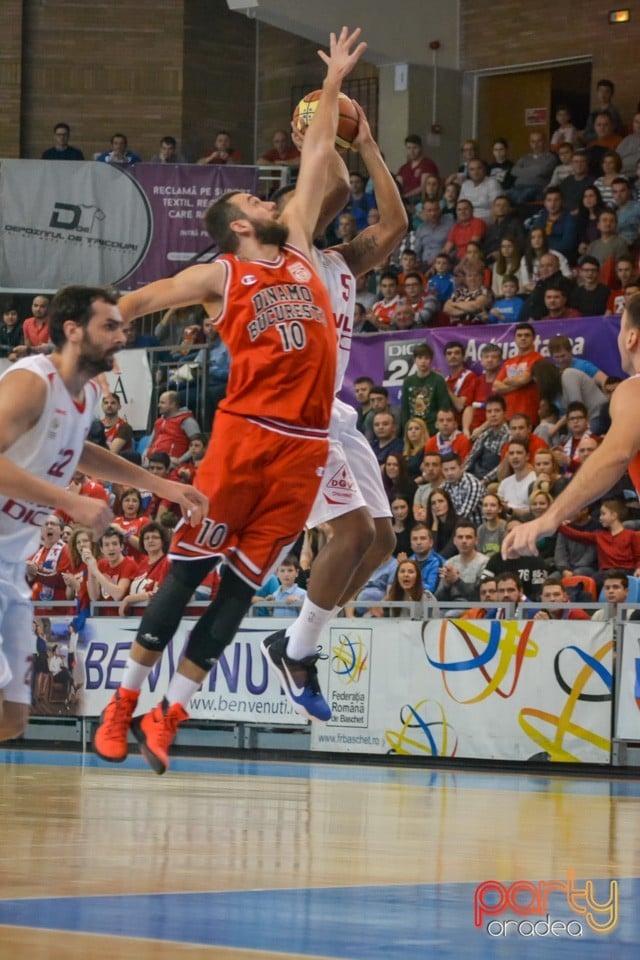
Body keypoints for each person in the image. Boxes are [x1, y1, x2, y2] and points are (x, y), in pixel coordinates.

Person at [93, 26, 368, 772]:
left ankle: (171, 714)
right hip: (247, 435)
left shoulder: (301, 248)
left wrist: (336, 84)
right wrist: (97, 332)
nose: (267, 197)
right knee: (186, 572)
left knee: (240, 592)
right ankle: (123, 702)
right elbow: (151, 293)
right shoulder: (227, 274)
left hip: (305, 446)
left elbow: (317, 159)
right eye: (253, 198)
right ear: (241, 226)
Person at [0, 285, 207, 742]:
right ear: (73, 331)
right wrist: (70, 502)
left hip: (10, 565)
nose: (122, 335)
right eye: (109, 326)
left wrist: (161, 484)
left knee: (11, 719)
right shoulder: (32, 381)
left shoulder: (87, 395)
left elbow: (79, 452)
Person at [503, 293, 640, 565]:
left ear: (631, 338)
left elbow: (616, 454)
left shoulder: (634, 389)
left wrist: (549, 518)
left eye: (621, 327)